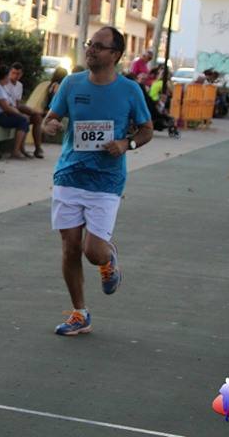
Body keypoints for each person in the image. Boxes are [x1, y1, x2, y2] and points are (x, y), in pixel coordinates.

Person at [42, 27, 153, 336]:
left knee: (93, 250)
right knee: (69, 247)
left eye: (99, 47)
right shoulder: (71, 83)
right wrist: (49, 125)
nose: (90, 50)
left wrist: (126, 144)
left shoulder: (130, 90)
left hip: (106, 180)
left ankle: (108, 258)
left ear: (115, 55)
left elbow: (147, 129)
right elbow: (49, 118)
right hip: (69, 175)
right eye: (90, 44)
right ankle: (80, 312)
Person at [0, 65, 31, 160]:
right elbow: (6, 108)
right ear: (5, 76)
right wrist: (21, 115)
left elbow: (10, 105)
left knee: (24, 119)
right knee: (22, 121)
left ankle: (21, 149)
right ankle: (16, 151)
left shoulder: (0, 86)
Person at [7, 62, 45, 158]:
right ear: (9, 72)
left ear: (21, 74)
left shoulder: (19, 85)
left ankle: (38, 148)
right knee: (25, 118)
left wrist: (33, 111)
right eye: (13, 73)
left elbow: (18, 104)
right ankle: (20, 149)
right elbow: (8, 105)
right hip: (7, 110)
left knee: (37, 117)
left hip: (15, 109)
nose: (15, 75)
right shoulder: (5, 83)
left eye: (18, 73)